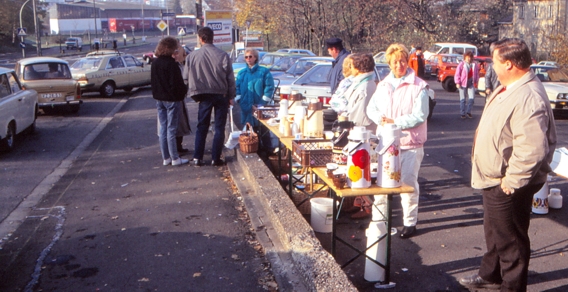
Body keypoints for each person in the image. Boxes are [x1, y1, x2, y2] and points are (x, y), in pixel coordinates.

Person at [459, 38, 557, 292]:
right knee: (495, 233)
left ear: (510, 64)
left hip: (508, 183)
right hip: (494, 178)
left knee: (510, 241)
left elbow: (532, 149)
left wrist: (510, 183)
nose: (492, 67)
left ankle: (512, 287)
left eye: (495, 62)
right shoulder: (510, 87)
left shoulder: (527, 96)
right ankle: (490, 275)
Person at [366, 43, 429, 239]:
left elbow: (420, 114)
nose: (399, 65)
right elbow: (371, 108)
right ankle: (379, 222)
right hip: (386, 145)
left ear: (407, 61)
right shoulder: (383, 85)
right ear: (389, 64)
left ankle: (410, 222)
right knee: (382, 185)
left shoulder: (419, 86)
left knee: (408, 184)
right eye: (395, 62)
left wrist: (395, 122)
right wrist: (380, 119)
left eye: (402, 60)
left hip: (410, 144)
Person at [186, 27, 236, 167]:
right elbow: (230, 79)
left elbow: (186, 77)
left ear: (201, 39)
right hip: (221, 94)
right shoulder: (223, 55)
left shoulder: (192, 56)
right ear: (213, 38)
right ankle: (215, 158)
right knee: (219, 126)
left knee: (202, 125)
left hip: (203, 95)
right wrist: (231, 96)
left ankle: (198, 157)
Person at [340, 52, 377, 219]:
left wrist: (347, 122)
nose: (350, 68)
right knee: (358, 168)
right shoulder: (363, 83)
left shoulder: (365, 86)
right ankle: (359, 203)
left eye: (352, 65)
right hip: (360, 132)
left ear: (358, 68)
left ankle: (366, 207)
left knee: (362, 169)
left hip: (363, 132)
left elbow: (360, 114)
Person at [151, 36, 189, 166]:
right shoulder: (172, 64)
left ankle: (165, 157)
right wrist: (183, 91)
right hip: (172, 100)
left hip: (159, 99)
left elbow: (154, 82)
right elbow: (177, 84)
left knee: (163, 129)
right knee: (171, 129)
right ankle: (175, 158)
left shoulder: (155, 63)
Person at [235, 48, 275, 127]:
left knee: (263, 132)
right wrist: (239, 99)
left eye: (250, 56)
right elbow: (237, 87)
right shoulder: (241, 73)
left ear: (255, 57)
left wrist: (263, 102)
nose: (248, 59)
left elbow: (269, 87)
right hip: (246, 107)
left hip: (260, 107)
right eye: (246, 57)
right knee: (248, 135)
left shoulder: (264, 71)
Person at [174, 43, 191, 153]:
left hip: (179, 98)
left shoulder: (180, 65)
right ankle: (176, 148)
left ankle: (178, 146)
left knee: (180, 123)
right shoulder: (175, 66)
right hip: (176, 98)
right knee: (177, 124)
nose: (184, 56)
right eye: (183, 54)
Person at [454, 51, 480, 119]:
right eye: (468, 57)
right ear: (465, 57)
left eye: (470, 57)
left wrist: (476, 81)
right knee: (463, 99)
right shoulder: (461, 64)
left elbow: (477, 74)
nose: (469, 59)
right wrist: (457, 82)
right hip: (462, 84)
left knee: (472, 98)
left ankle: (469, 112)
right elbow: (457, 74)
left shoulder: (474, 65)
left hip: (471, 83)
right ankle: (462, 113)